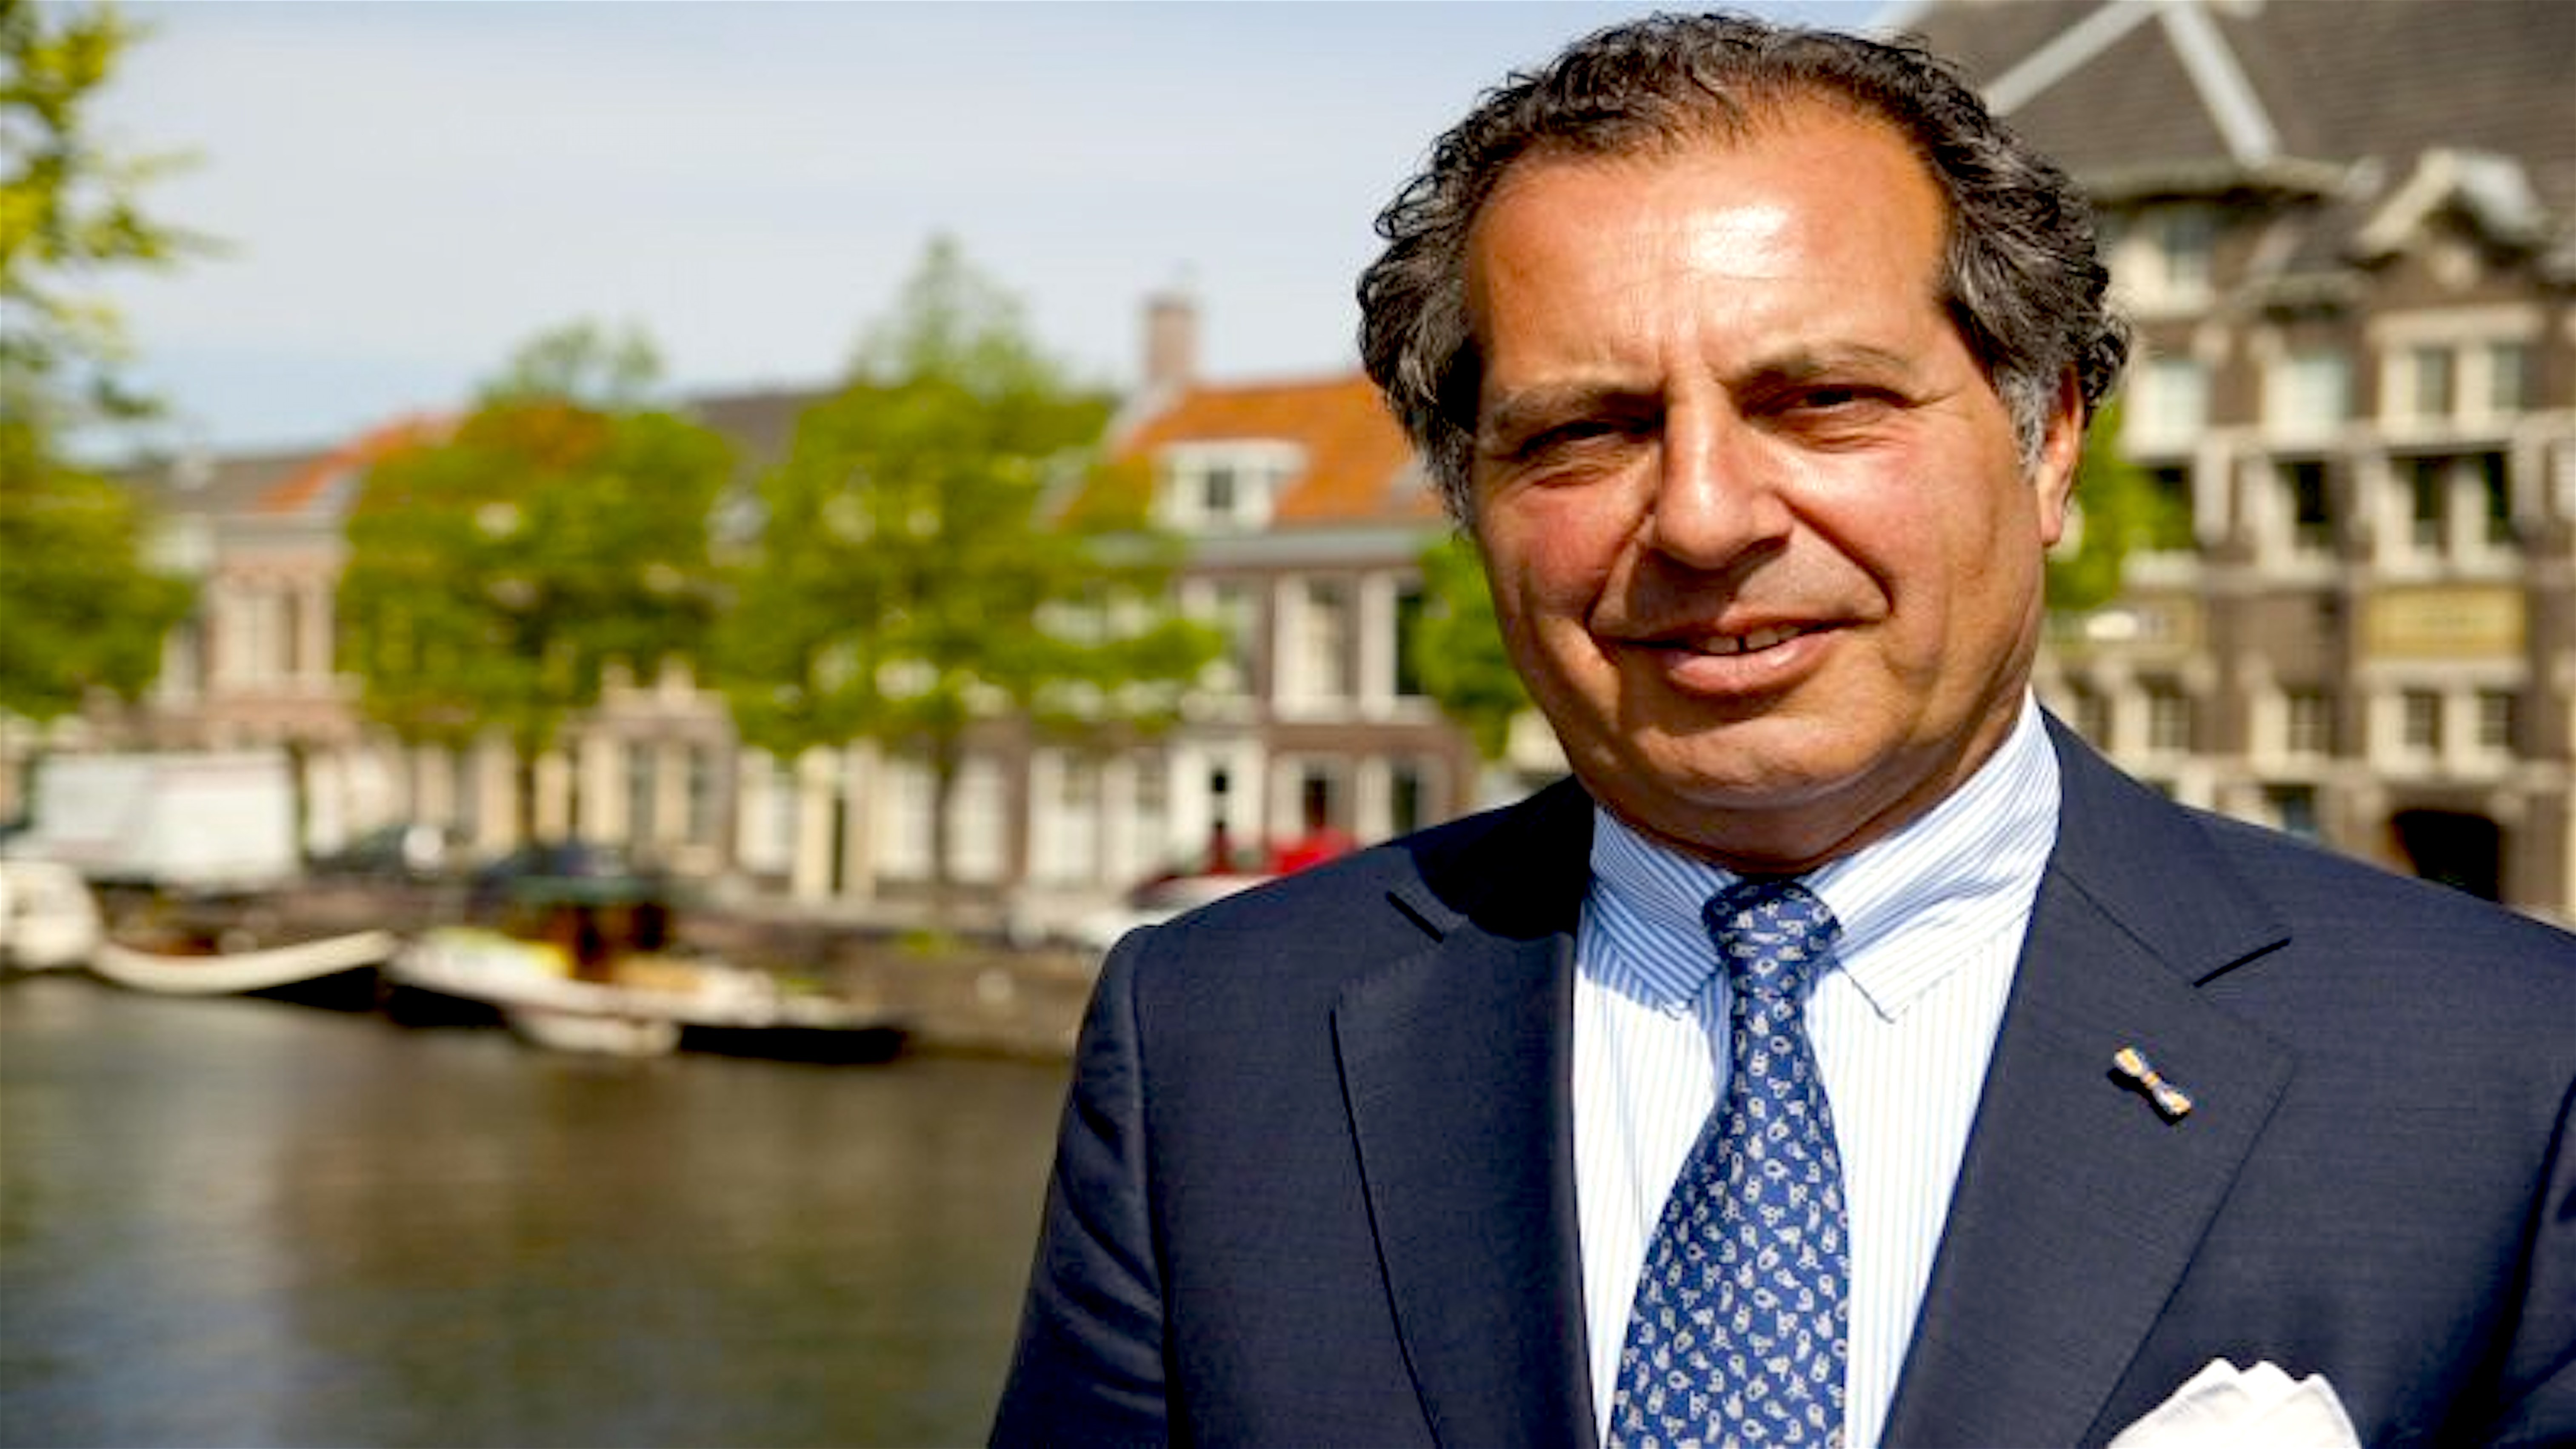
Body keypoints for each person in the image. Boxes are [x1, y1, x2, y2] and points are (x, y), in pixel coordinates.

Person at [991, 13, 2576, 1448]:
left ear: (2048, 443)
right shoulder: (1213, 1040)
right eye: (1585, 430)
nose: (1702, 518)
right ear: (1471, 503)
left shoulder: (2506, 1070)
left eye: (1822, 401)